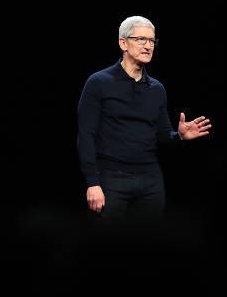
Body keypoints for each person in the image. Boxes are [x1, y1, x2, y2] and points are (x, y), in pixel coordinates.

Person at [77, 16, 211, 224]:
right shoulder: (99, 83)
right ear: (123, 43)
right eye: (141, 39)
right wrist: (92, 182)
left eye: (152, 41)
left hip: (150, 181)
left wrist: (180, 136)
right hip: (111, 179)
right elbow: (86, 135)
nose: (148, 46)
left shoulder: (156, 89)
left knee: (149, 246)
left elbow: (163, 135)